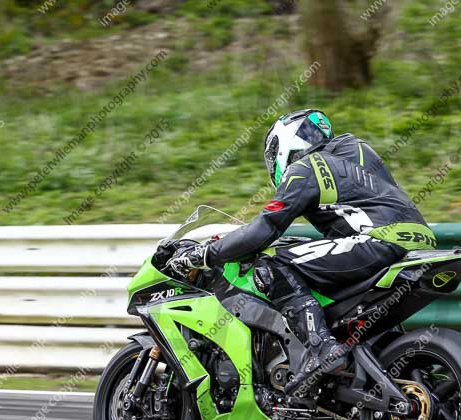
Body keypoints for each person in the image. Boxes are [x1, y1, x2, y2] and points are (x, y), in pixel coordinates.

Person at [167, 109, 436, 396]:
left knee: (273, 266)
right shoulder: (358, 152)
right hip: (417, 240)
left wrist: (208, 253)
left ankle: (322, 348)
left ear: (287, 144)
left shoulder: (307, 168)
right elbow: (359, 213)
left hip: (377, 241)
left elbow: (265, 227)